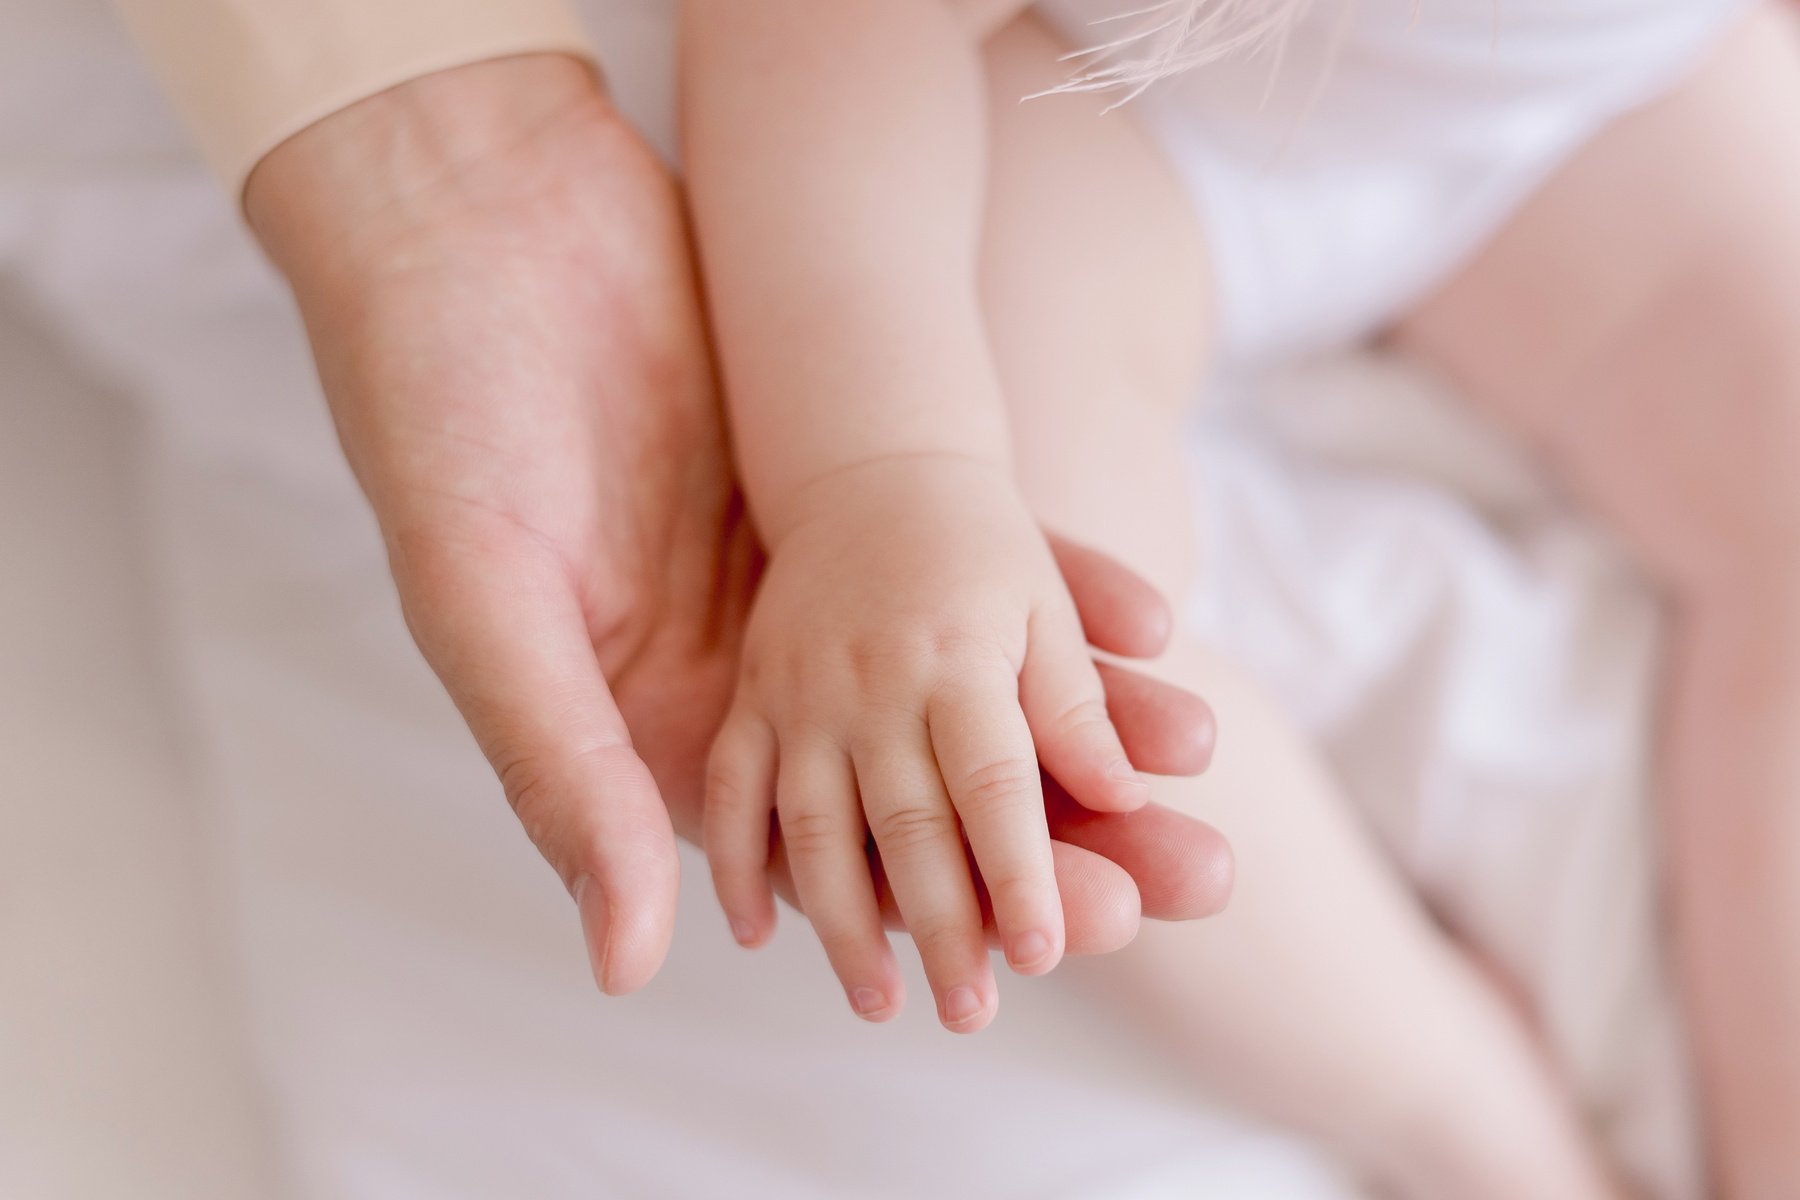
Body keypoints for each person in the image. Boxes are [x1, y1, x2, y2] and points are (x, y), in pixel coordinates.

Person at [678, 1, 1800, 1198]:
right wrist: (877, 481)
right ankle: (1465, 1119)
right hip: (1116, 99)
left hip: (1573, 89)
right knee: (1039, 692)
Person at [114, 0, 1236, 1003]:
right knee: (1046, 696)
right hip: (1053, 114)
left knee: (1073, 729)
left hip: (1347, 163)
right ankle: (1411, 1102)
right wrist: (884, 479)